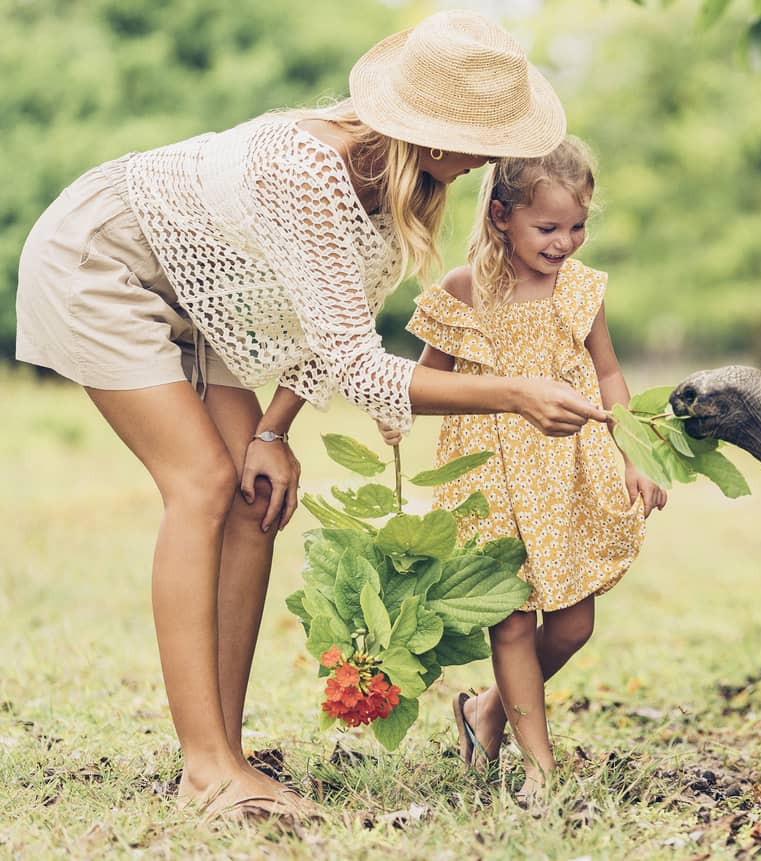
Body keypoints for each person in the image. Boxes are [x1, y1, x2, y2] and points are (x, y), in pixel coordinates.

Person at [12, 10, 607, 820]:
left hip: (206, 296)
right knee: (201, 483)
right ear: (431, 134)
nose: (490, 164)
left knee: (256, 502)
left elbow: (326, 335)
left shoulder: (400, 193)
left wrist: (272, 430)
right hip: (106, 260)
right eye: (483, 143)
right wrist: (514, 390)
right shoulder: (309, 168)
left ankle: (225, 748)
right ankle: (206, 770)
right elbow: (364, 371)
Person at [400, 137, 665, 807]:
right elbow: (422, 382)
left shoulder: (580, 289)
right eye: (548, 227)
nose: (565, 241)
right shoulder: (466, 291)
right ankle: (539, 766)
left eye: (577, 226)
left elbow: (607, 372)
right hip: (489, 476)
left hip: (567, 475)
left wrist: (637, 455)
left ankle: (485, 711)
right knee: (512, 622)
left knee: (573, 625)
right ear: (500, 216)